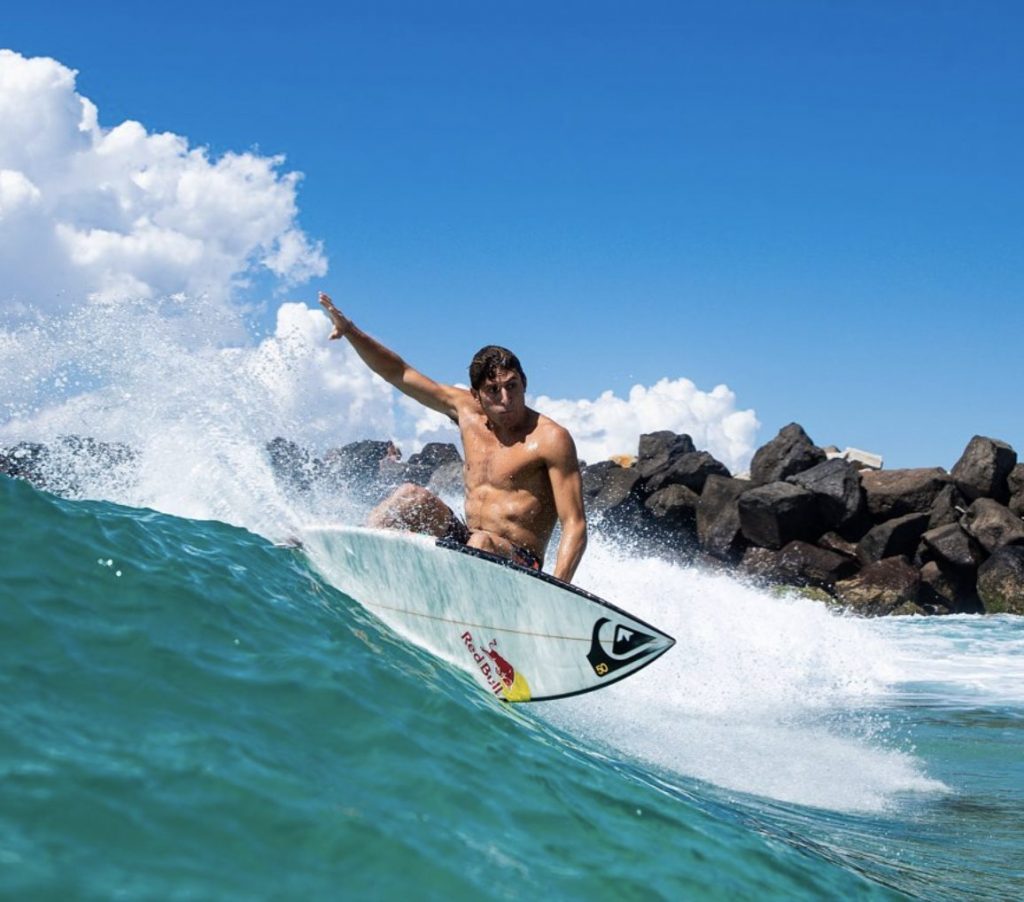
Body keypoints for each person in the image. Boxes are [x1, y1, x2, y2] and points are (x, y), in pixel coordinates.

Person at [319, 292, 587, 583]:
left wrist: (556, 590)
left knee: (482, 542)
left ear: (524, 382)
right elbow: (400, 373)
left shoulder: (550, 439)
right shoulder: (465, 411)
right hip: (468, 541)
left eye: (513, 386)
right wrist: (350, 331)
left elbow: (574, 524)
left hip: (522, 564)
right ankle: (350, 554)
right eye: (494, 390)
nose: (506, 399)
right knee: (410, 496)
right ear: (477, 395)